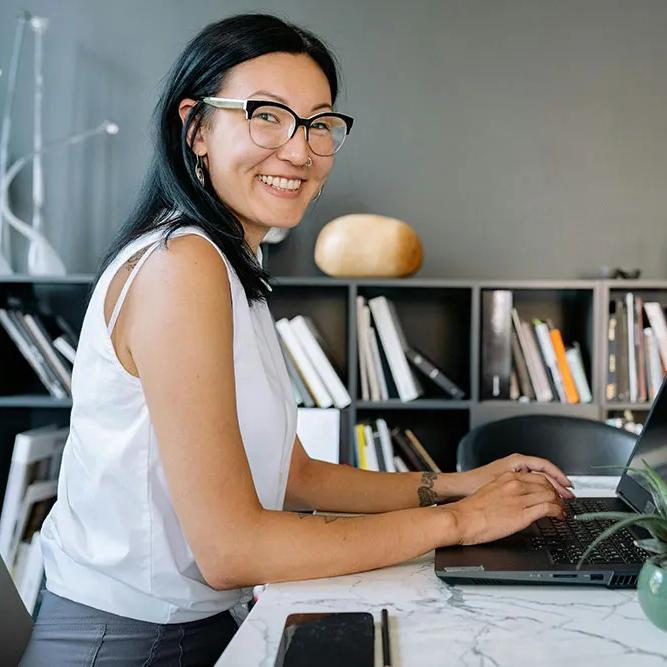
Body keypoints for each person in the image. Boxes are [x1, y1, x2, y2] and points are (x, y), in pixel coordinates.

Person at [20, 13, 573, 666]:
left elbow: (297, 474)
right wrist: (463, 521)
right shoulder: (181, 266)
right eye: (266, 115)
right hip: (128, 643)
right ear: (195, 128)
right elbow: (232, 549)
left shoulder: (227, 264)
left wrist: (458, 483)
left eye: (318, 123)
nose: (299, 149)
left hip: (191, 626)